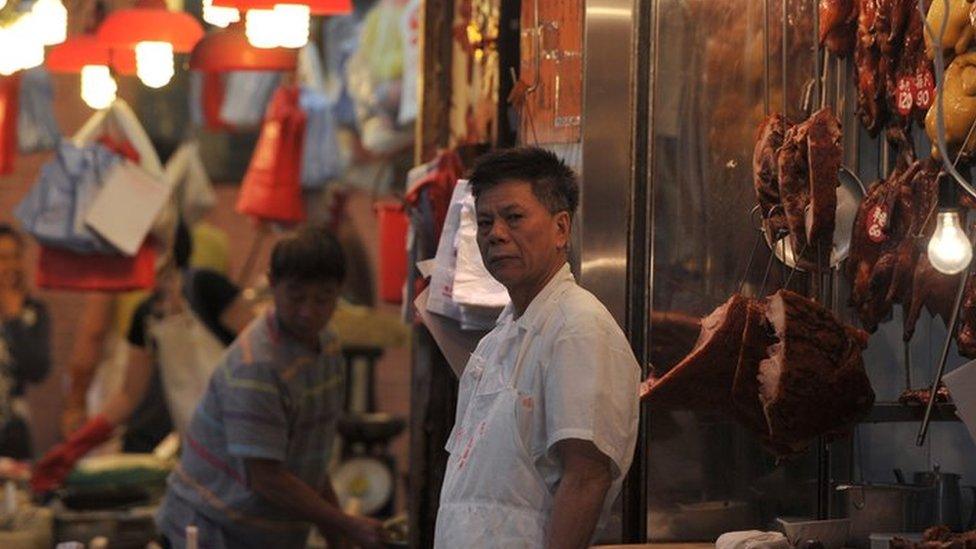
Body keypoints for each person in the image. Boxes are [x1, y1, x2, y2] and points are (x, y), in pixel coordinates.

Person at [433, 147, 641, 547]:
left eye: (513, 217)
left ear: (561, 229)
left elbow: (586, 476)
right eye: (485, 222)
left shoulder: (578, 328)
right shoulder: (500, 338)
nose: (495, 233)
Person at [155, 225, 385, 549]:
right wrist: (344, 523)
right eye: (296, 296)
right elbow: (266, 478)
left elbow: (312, 458)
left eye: (323, 299)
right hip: (209, 531)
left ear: (339, 292)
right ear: (272, 284)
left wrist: (340, 536)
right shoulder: (257, 365)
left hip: (266, 534)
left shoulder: (329, 347)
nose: (308, 311)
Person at [31, 224, 252, 493]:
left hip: (244, 439)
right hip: (198, 449)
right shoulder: (146, 315)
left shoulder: (208, 287)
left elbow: (257, 352)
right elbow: (127, 395)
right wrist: (76, 446)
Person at [0, 224, 51, 459]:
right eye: (2, 258)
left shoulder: (33, 311)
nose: (10, 266)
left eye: (16, 257)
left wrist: (12, 317)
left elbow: (37, 369)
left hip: (12, 432)